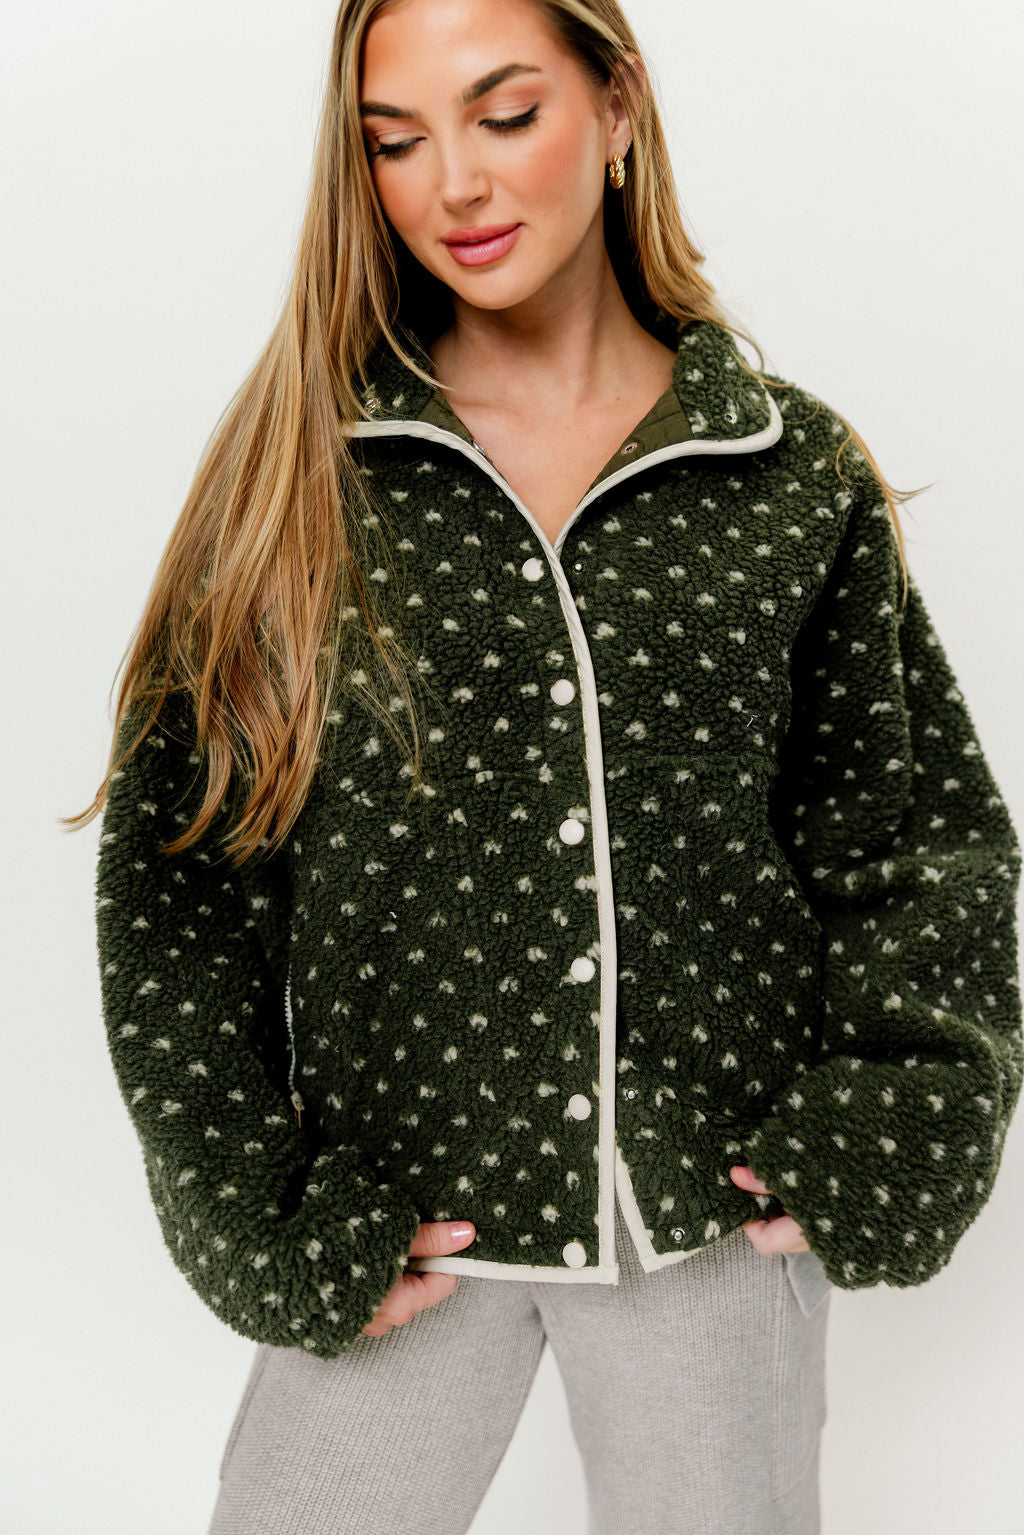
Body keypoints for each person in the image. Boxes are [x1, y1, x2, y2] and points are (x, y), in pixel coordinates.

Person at [72, 0, 1022, 1531]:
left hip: (709, 1216)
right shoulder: (299, 474)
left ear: (617, 104)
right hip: (395, 1229)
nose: (454, 181)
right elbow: (181, 892)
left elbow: (913, 843)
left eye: (505, 113)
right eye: (395, 140)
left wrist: (894, 1121)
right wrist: (259, 1205)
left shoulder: (789, 475)